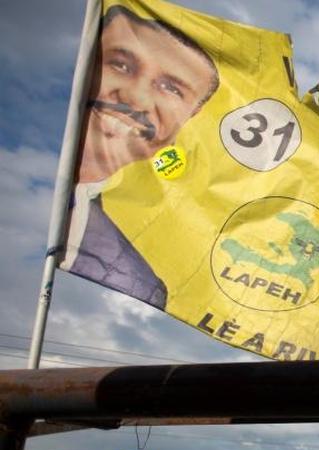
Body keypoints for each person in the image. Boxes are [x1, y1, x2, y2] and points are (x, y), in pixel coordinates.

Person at [60, 5, 220, 309]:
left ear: (189, 118)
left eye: (171, 88)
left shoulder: (141, 276)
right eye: (121, 65)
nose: (136, 98)